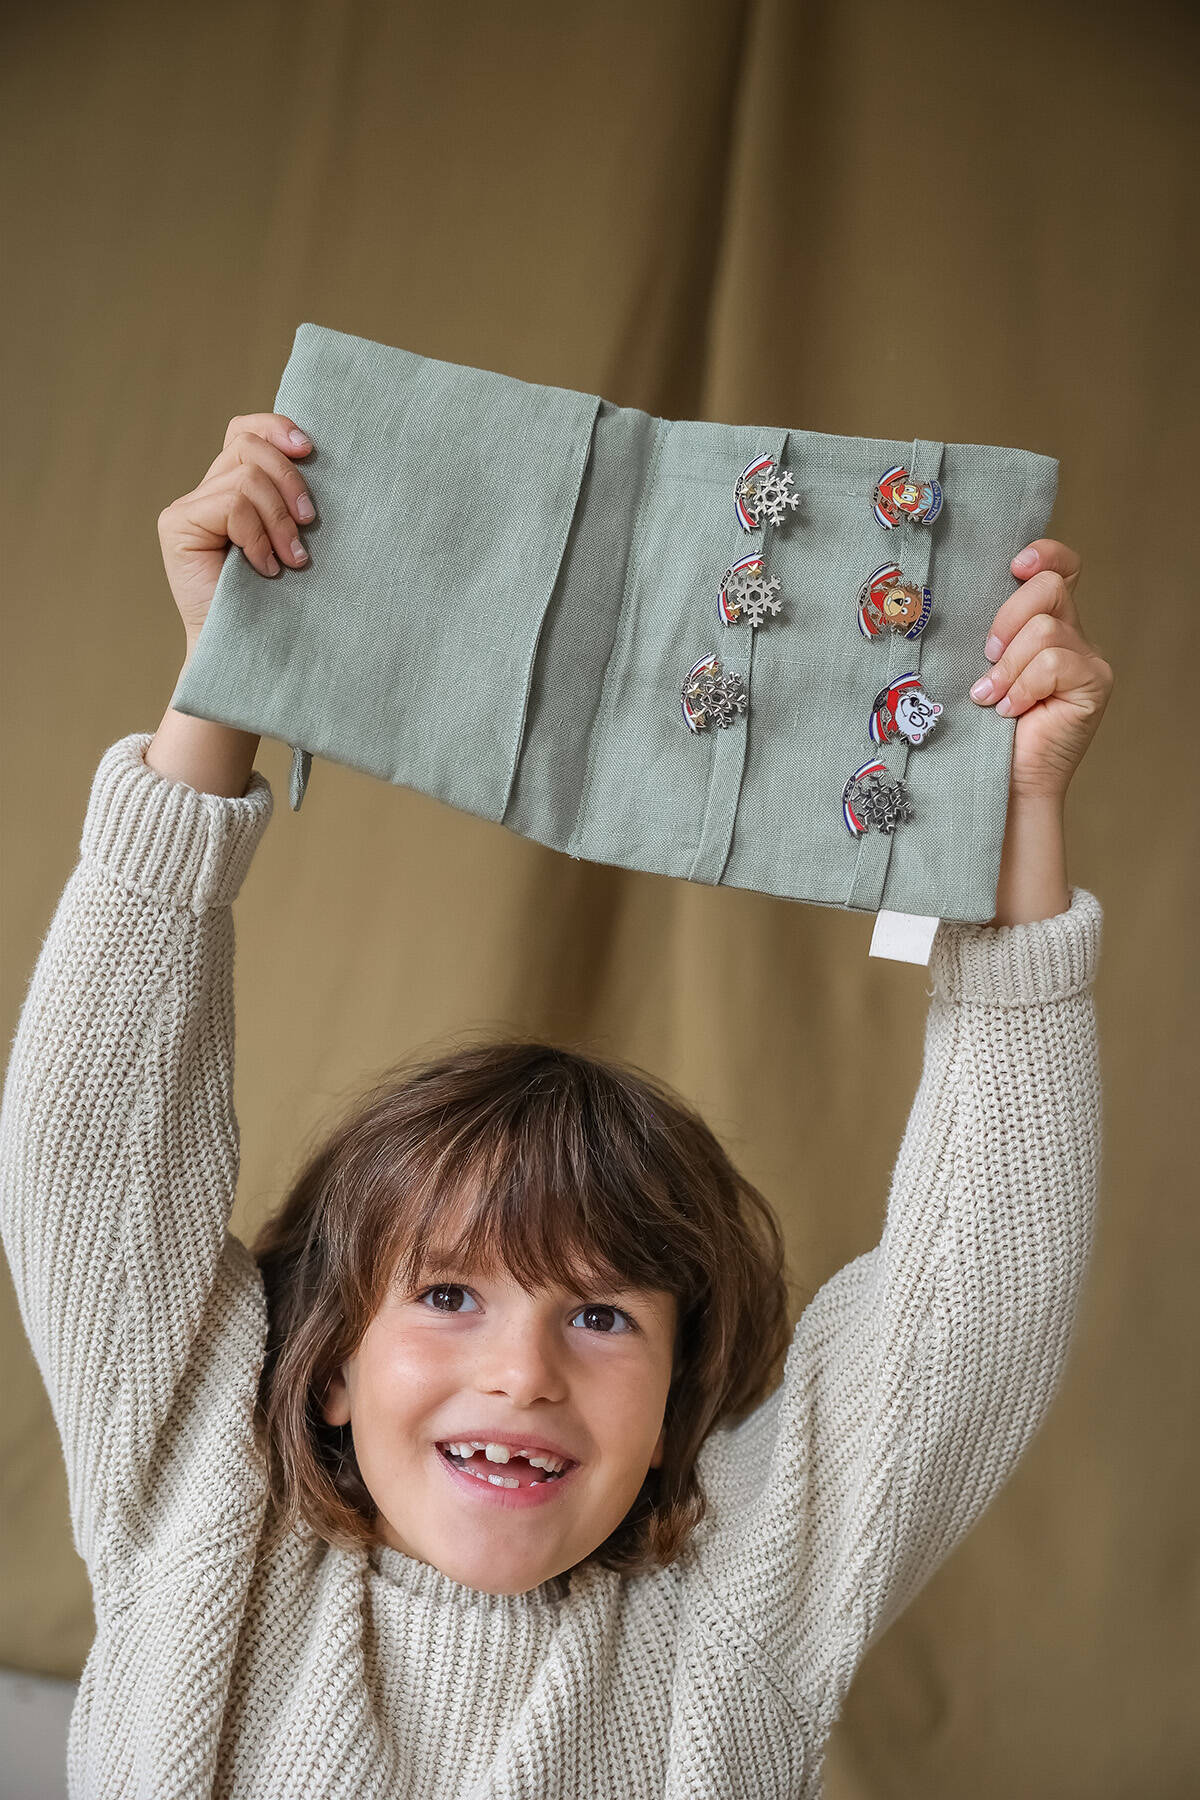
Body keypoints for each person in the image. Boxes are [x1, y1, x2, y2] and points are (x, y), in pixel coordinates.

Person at [0, 412, 1114, 1799]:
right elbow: (93, 1153)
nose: (525, 1373)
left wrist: (1005, 838)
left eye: (600, 1317)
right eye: (450, 1296)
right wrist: (225, 683)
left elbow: (977, 1306)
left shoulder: (733, 1619)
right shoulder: (198, 1513)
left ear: (678, 1401)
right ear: (331, 1364)